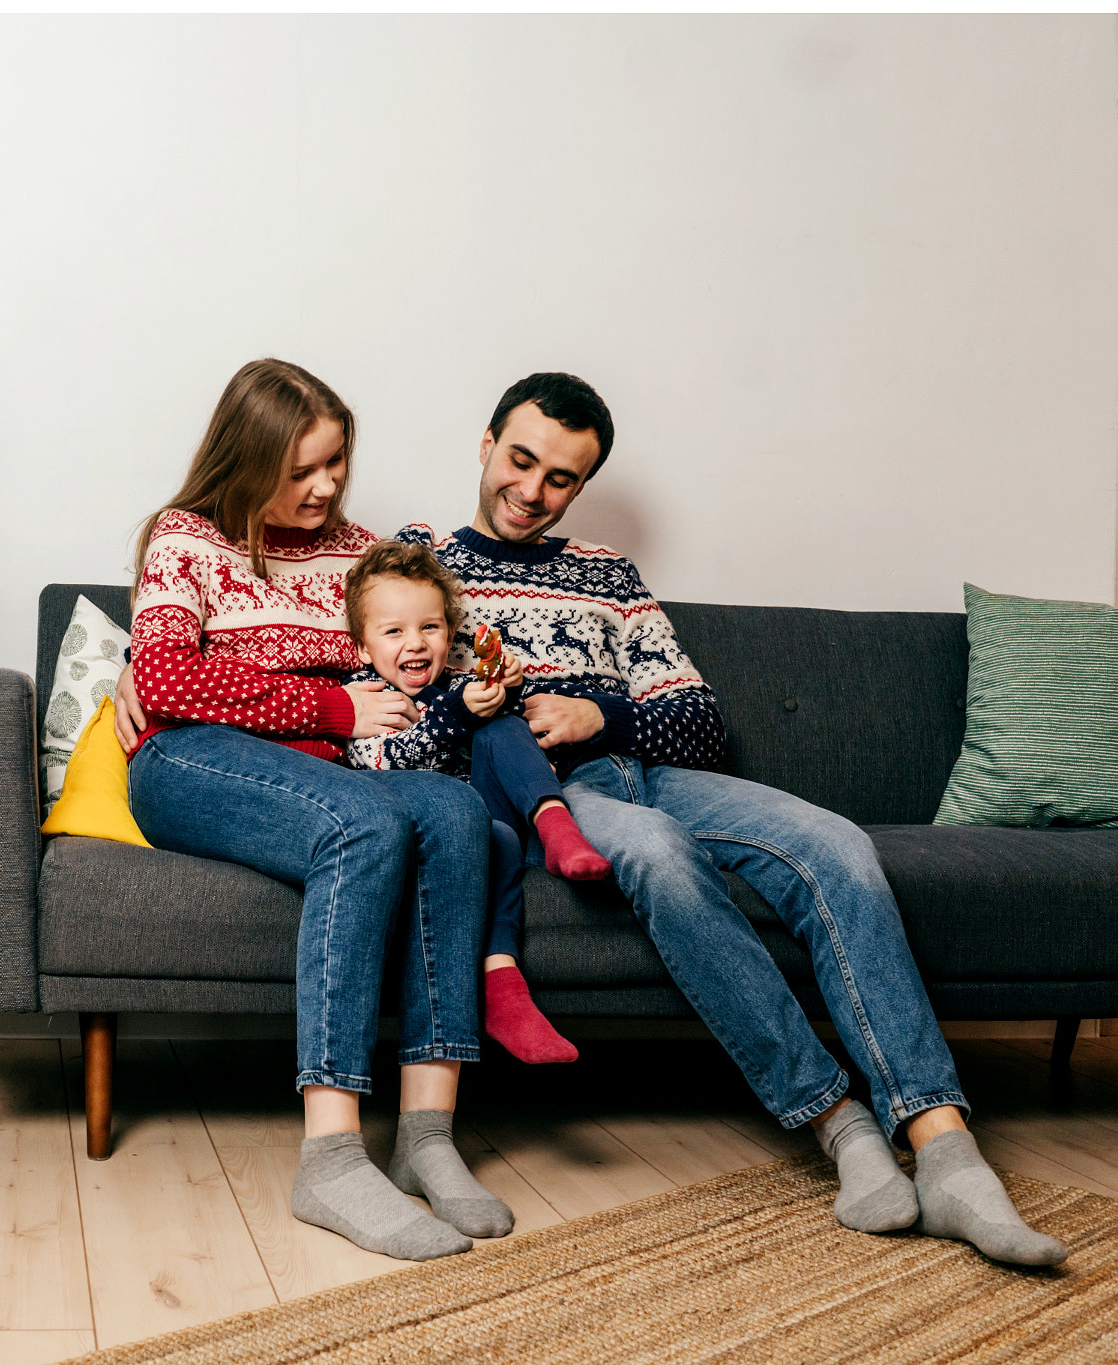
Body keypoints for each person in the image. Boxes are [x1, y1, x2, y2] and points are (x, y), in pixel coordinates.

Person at [390, 370, 1065, 1266]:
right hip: (547, 795)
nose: (533, 490)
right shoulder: (420, 558)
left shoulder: (609, 575)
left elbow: (699, 721)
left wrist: (603, 713)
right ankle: (842, 1124)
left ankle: (946, 1149)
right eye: (521, 461)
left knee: (837, 845)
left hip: (647, 767)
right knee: (662, 858)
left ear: (582, 486)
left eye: (562, 478)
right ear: (485, 444)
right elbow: (392, 700)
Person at [123, 357, 510, 1261]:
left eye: (335, 462)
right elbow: (170, 674)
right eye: (300, 470)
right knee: (362, 823)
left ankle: (426, 1137)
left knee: (454, 816)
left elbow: (422, 632)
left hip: (323, 767)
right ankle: (332, 1157)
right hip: (190, 759)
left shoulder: (355, 551)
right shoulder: (184, 539)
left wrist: (491, 672)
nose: (324, 485)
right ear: (246, 460)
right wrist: (332, 706)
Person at [338, 538, 608, 1065]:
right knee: (497, 837)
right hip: (441, 840)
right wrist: (458, 714)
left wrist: (504, 686)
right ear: (364, 648)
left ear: (448, 632)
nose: (414, 643)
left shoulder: (458, 686)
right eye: (393, 631)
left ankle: (557, 827)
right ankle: (504, 989)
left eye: (429, 628)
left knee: (503, 727)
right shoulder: (365, 697)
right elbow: (385, 762)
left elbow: (493, 725)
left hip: (507, 819)